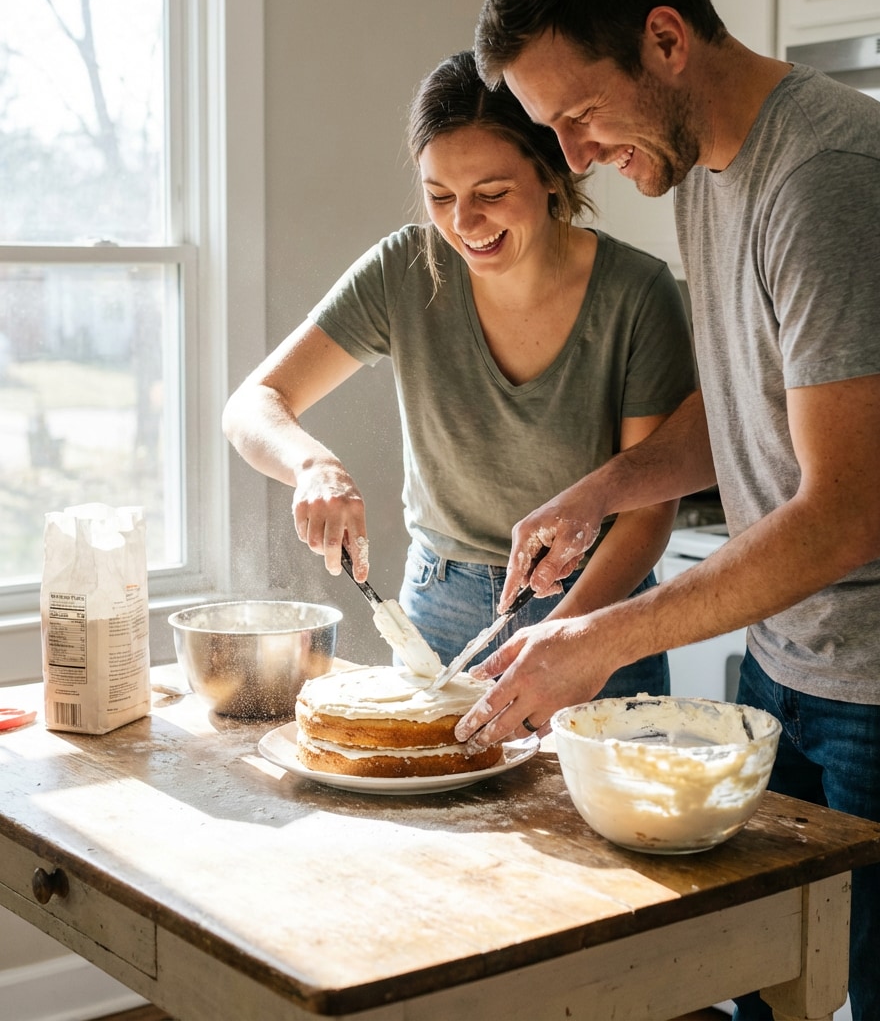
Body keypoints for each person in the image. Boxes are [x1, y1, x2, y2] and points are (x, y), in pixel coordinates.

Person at [455, 0, 880, 1021]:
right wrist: (602, 491)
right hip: (789, 667)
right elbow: (755, 398)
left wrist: (594, 642)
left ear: (666, 40)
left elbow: (843, 514)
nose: (572, 158)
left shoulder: (828, 176)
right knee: (763, 985)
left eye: (577, 116)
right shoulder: (708, 165)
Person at [222, 49, 696, 699]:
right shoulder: (404, 270)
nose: (463, 225)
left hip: (599, 604)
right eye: (439, 196)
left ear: (553, 174)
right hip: (437, 604)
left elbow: (648, 509)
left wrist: (566, 634)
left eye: (492, 194)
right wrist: (311, 466)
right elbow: (255, 403)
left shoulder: (637, 293)